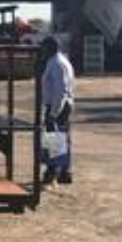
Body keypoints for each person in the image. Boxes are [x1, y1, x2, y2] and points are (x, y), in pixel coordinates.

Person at [40, 36, 75, 185]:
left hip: (58, 105)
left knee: (55, 138)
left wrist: (53, 113)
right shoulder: (59, 60)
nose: (41, 50)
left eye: (43, 47)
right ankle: (64, 172)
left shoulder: (56, 63)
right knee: (61, 137)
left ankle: (53, 171)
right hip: (61, 104)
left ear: (49, 48)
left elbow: (60, 90)